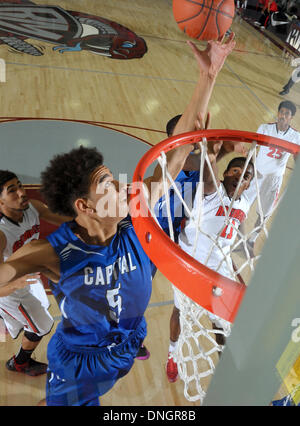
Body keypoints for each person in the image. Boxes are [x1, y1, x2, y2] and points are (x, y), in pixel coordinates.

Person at [0, 35, 236, 406]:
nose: (125, 185)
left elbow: (178, 151)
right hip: (77, 363)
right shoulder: (52, 252)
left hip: (126, 346)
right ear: (86, 206)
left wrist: (208, 77)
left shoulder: (136, 214)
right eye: (108, 183)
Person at [166, 149, 254, 383]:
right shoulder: (213, 191)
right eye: (236, 171)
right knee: (180, 310)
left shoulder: (245, 201)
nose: (241, 176)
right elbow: (208, 178)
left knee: (220, 323)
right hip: (190, 263)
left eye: (246, 176)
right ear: (226, 173)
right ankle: (172, 355)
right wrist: (212, 158)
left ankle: (225, 366)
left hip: (219, 269)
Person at [0, 170, 70, 376]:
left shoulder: (33, 208)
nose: (22, 192)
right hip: (10, 289)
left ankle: (9, 321)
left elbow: (66, 220)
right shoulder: (2, 233)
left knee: (43, 308)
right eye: (12, 190)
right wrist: (13, 285)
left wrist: (92, 220)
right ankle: (20, 363)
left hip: (29, 276)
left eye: (20, 186)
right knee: (42, 325)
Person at [245, 100, 300, 254]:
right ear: (278, 113)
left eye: (287, 114)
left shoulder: (296, 136)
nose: (283, 116)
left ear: (291, 117)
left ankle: (251, 240)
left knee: (264, 214)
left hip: (273, 180)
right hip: (257, 175)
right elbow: (252, 149)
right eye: (281, 112)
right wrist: (248, 168)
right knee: (242, 204)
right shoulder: (264, 128)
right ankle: (232, 232)